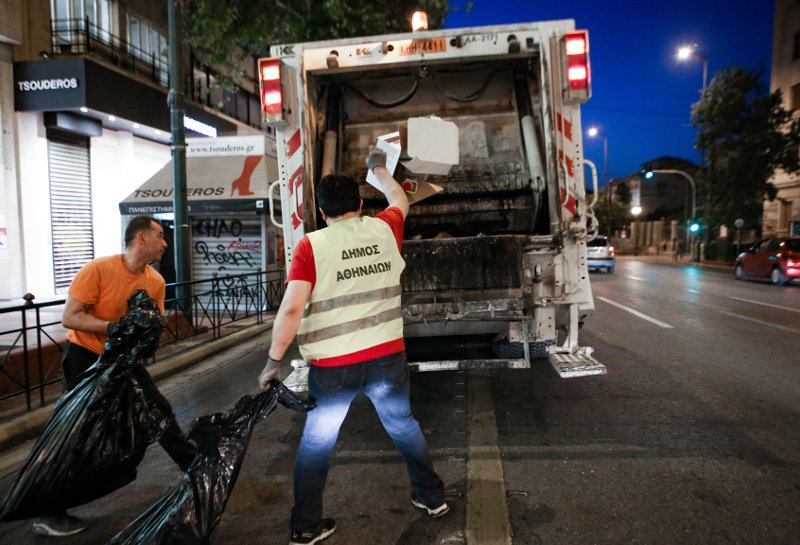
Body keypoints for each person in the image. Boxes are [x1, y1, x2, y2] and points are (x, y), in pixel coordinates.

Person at [258, 150, 447, 545]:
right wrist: (378, 166)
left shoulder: (311, 246)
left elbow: (292, 308)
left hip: (334, 370)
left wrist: (273, 362)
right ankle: (432, 497)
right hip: (386, 359)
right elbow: (400, 199)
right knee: (403, 425)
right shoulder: (383, 228)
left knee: (316, 443)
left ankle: (306, 525)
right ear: (360, 206)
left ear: (322, 212)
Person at [32, 216, 197, 537]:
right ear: (141, 238)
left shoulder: (156, 281)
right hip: (86, 358)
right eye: (160, 235)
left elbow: (154, 325)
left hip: (124, 357)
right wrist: (113, 328)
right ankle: (47, 511)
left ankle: (195, 468)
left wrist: (147, 335)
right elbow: (71, 317)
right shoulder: (98, 270)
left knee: (158, 411)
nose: (165, 243)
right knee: (80, 433)